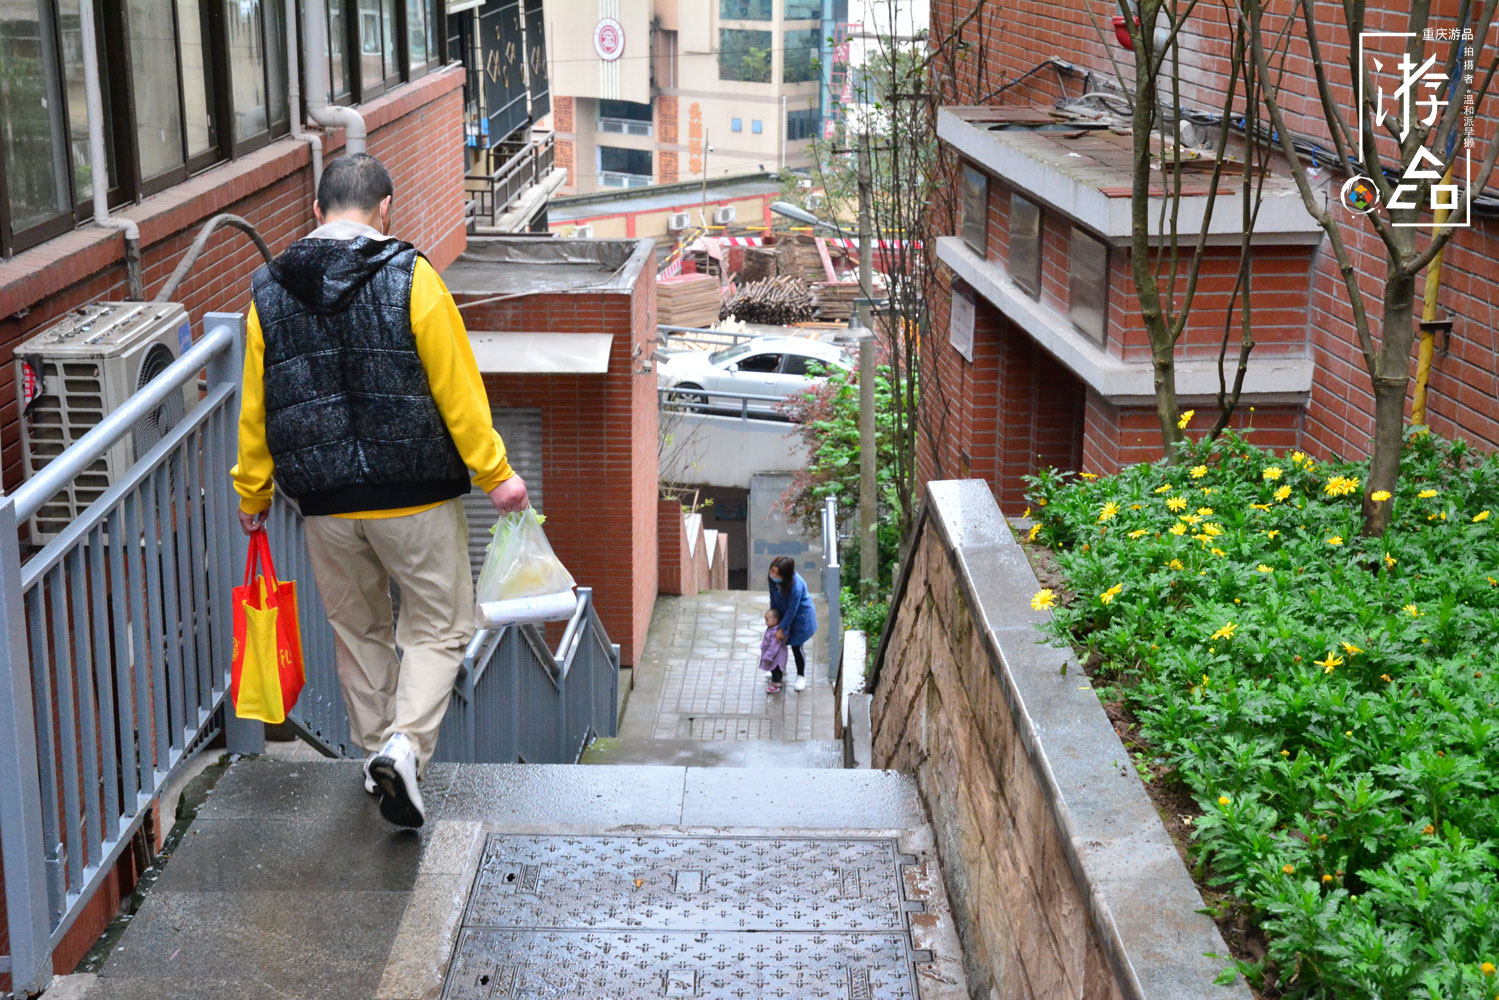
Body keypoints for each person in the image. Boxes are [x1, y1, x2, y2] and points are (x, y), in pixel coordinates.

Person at [231, 153, 527, 829]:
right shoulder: (411, 275)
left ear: (316, 211)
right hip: (416, 494)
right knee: (440, 626)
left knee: (358, 631)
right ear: (384, 208)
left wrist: (253, 495)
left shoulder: (267, 291)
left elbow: (256, 409)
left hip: (324, 501)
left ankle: (376, 761)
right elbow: (456, 386)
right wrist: (495, 473)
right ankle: (404, 748)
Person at [766, 555, 817, 693]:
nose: (773, 575)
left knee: (796, 647)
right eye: (772, 571)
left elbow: (791, 610)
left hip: (800, 618)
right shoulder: (772, 580)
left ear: (786, 575)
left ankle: (801, 675)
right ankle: (779, 669)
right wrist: (774, 618)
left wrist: (782, 627)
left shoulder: (796, 585)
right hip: (782, 613)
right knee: (776, 643)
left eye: (777, 573)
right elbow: (773, 598)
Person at [759, 607, 789, 693]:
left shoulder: (776, 633)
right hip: (774, 657)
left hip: (776, 657)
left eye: (767, 620)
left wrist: (768, 656)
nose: (765, 622)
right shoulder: (772, 629)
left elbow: (773, 647)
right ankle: (776, 681)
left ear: (775, 621)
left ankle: (776, 685)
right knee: (774, 670)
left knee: (776, 671)